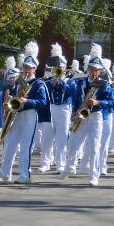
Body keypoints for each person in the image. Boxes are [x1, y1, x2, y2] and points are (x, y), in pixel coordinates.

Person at [58, 44, 114, 186]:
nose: (94, 72)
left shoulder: (105, 84)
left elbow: (112, 101)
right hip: (81, 116)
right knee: (73, 143)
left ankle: (94, 176)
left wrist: (98, 102)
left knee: (95, 147)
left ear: (100, 71)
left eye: (96, 70)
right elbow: (71, 95)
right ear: (88, 69)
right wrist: (74, 112)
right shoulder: (80, 82)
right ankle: (69, 168)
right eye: (92, 69)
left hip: (96, 117)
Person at [0, 42, 48, 184]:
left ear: (34, 69)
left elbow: (43, 103)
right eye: (25, 67)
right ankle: (5, 174)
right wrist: (9, 98)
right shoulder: (19, 82)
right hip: (17, 115)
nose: (26, 70)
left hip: (30, 116)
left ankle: (25, 175)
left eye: (29, 68)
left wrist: (28, 101)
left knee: (26, 147)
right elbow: (13, 96)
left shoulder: (39, 84)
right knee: (10, 144)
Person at [44, 44, 74, 175]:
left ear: (64, 68)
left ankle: (60, 164)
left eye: (61, 67)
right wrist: (52, 82)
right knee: (47, 137)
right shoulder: (49, 80)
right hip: (51, 108)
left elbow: (70, 92)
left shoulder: (70, 80)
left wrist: (60, 81)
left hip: (64, 109)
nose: (59, 69)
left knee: (62, 138)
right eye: (57, 67)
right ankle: (45, 163)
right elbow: (45, 92)